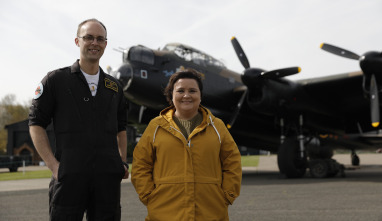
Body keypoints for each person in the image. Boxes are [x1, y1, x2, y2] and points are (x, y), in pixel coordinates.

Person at [28, 18, 129, 220]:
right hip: (68, 177)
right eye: (89, 37)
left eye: (100, 39)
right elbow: (35, 123)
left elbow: (121, 128)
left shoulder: (114, 87)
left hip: (107, 180)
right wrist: (53, 165)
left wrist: (122, 162)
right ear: (77, 41)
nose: (95, 43)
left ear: (105, 44)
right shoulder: (56, 80)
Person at [131, 69, 242, 220]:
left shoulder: (217, 126)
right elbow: (140, 165)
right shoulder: (155, 127)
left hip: (211, 213)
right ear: (172, 95)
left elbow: (232, 162)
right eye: (180, 90)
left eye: (192, 91)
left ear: (200, 96)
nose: (186, 95)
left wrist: (227, 195)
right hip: (164, 214)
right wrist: (149, 196)